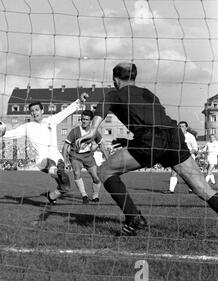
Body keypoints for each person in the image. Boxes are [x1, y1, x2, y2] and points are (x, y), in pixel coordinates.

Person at [75, 62, 218, 236]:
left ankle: (133, 217)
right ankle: (133, 218)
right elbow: (152, 120)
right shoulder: (148, 93)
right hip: (173, 136)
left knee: (105, 171)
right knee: (202, 188)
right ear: (134, 77)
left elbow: (102, 109)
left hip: (150, 141)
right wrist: (130, 142)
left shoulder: (114, 94)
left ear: (115, 79)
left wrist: (91, 130)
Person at [0, 94, 86, 205]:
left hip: (56, 155)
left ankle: (51, 196)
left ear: (42, 110)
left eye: (36, 110)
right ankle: (55, 171)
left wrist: (79, 101)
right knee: (54, 168)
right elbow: (12, 133)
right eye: (32, 111)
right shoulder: (28, 126)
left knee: (66, 187)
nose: (34, 112)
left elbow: (66, 112)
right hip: (42, 159)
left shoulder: (52, 120)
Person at [62, 109, 108, 203]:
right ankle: (84, 196)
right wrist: (65, 160)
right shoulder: (75, 131)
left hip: (88, 156)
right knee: (76, 173)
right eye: (82, 119)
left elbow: (101, 144)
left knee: (96, 177)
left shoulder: (94, 132)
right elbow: (65, 146)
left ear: (91, 121)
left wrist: (107, 157)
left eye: (86, 119)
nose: (84, 121)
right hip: (75, 155)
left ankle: (95, 196)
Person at [164, 121, 198, 194]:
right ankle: (171, 190)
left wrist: (187, 154)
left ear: (186, 128)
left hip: (188, 158)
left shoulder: (190, 136)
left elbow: (195, 148)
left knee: (189, 175)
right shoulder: (174, 136)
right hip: (176, 157)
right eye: (179, 126)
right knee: (173, 173)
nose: (181, 128)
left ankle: (191, 190)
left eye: (182, 126)